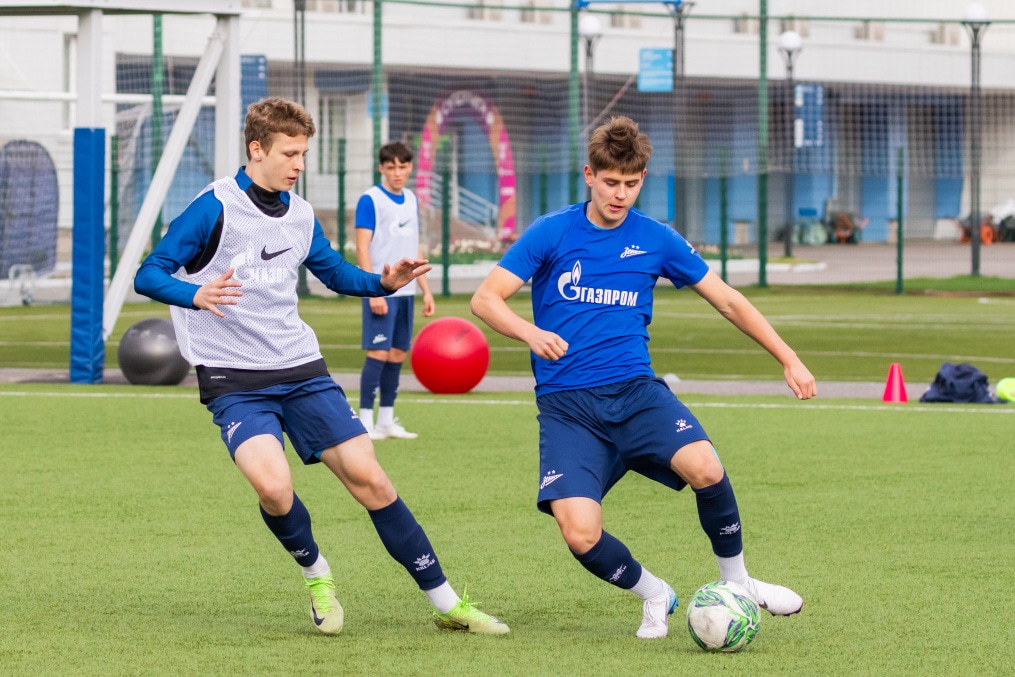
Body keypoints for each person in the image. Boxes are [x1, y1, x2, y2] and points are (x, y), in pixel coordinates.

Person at [134, 97, 508, 637]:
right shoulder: (211, 208)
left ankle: (449, 603)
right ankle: (317, 577)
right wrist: (195, 294)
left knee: (371, 480)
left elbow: (332, 272)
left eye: (304, 153)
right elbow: (150, 273)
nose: (299, 164)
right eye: (290, 153)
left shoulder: (302, 213)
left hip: (300, 368)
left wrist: (382, 282)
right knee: (274, 488)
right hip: (234, 379)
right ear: (256, 149)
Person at [470, 116, 815, 639]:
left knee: (706, 465)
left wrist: (788, 357)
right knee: (579, 533)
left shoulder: (656, 238)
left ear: (643, 178)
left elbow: (727, 300)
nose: (620, 194)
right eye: (611, 182)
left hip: (636, 393)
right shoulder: (552, 230)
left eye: (631, 184)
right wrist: (529, 332)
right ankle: (655, 594)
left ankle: (739, 582)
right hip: (568, 408)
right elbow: (485, 298)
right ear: (589, 174)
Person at [355, 141, 434, 440]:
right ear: (381, 168)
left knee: (398, 352)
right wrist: (371, 290)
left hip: (407, 292)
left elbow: (414, 246)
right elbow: (362, 247)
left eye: (403, 167)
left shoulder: (412, 199)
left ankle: (385, 420)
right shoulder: (370, 200)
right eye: (391, 168)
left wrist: (425, 288)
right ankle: (363, 422)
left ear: (410, 167)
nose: (397, 173)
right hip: (381, 290)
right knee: (378, 351)